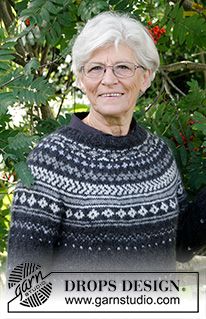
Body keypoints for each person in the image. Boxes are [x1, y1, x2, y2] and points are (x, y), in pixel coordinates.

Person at [7, 12, 206, 273]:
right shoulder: (50, 161)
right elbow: (23, 280)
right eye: (96, 68)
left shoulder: (159, 154)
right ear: (81, 79)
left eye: (123, 67)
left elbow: (180, 245)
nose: (109, 79)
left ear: (145, 77)